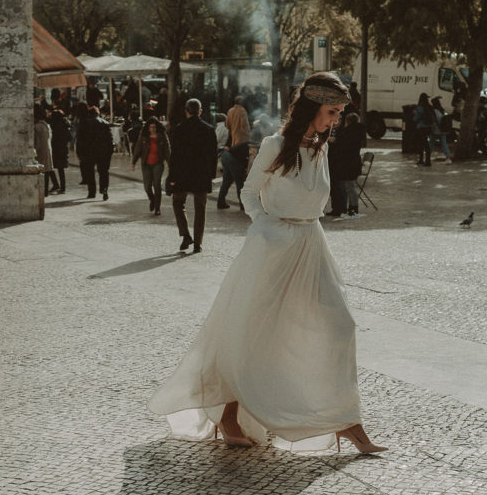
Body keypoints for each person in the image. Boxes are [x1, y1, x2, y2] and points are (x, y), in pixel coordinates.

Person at [148, 72, 386, 454]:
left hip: (311, 243)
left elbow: (316, 202)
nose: (335, 120)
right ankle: (228, 413)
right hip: (272, 247)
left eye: (339, 113)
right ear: (312, 108)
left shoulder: (322, 147)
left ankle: (346, 420)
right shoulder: (276, 145)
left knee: (340, 325)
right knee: (254, 334)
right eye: (331, 111)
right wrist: (266, 226)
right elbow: (247, 191)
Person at [167, 98, 217, 253]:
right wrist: (211, 175)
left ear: (186, 111)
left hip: (182, 174)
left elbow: (174, 156)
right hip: (201, 175)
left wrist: (172, 177)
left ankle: (185, 234)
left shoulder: (179, 129)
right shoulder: (209, 129)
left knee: (178, 203)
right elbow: (213, 155)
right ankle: (198, 243)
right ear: (200, 111)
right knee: (200, 209)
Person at [131, 117, 170, 216]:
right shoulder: (144, 136)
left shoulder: (162, 136)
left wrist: (170, 164)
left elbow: (167, 151)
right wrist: (133, 162)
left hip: (158, 163)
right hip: (146, 164)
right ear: (148, 128)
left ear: (157, 128)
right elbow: (137, 149)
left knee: (157, 185)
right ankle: (152, 199)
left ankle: (157, 208)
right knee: (147, 186)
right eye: (150, 127)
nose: (152, 129)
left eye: (154, 127)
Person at [332, 111, 367, 218]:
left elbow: (345, 147)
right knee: (349, 186)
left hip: (349, 164)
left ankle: (354, 209)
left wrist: (336, 141)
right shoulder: (356, 132)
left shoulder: (349, 133)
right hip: (353, 163)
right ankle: (352, 208)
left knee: (349, 187)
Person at [75, 106, 113, 200]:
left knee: (90, 173)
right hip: (103, 152)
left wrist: (79, 153)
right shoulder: (105, 123)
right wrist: (109, 153)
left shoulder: (84, 123)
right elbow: (110, 140)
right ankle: (104, 190)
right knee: (103, 172)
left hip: (88, 153)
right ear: (98, 113)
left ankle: (92, 192)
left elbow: (79, 140)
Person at [217, 141, 250, 212]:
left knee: (227, 181)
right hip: (232, 159)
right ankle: (243, 205)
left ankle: (221, 202)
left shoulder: (250, 144)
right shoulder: (253, 148)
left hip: (226, 156)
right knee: (240, 183)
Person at [33, 105, 58, 196]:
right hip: (47, 150)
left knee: (42, 171)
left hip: (40, 152)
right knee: (47, 170)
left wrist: (33, 153)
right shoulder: (46, 125)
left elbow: (36, 144)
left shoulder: (36, 127)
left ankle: (43, 191)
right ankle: (46, 191)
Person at [49, 107, 71, 194]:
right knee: (60, 169)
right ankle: (62, 187)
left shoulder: (55, 125)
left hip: (56, 148)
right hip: (63, 148)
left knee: (50, 166)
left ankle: (56, 184)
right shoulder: (65, 124)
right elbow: (69, 138)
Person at [413, 92, 434, 166]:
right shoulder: (429, 107)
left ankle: (422, 160)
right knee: (426, 143)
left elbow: (415, 118)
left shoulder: (420, 108)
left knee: (421, 144)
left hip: (421, 128)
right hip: (428, 128)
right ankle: (427, 159)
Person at [431, 96, 453, 163]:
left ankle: (427, 156)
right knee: (444, 144)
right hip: (442, 130)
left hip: (435, 130)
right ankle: (448, 157)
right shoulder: (441, 110)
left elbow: (433, 121)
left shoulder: (434, 111)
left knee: (431, 143)